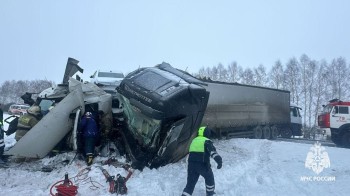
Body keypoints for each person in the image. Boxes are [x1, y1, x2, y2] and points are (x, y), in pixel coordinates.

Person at [181, 126, 222, 196]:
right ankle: (210, 193)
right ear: (207, 133)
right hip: (203, 165)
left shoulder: (194, 141)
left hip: (191, 165)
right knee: (209, 178)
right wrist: (219, 161)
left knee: (190, 183)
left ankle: (185, 194)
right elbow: (213, 153)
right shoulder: (206, 141)